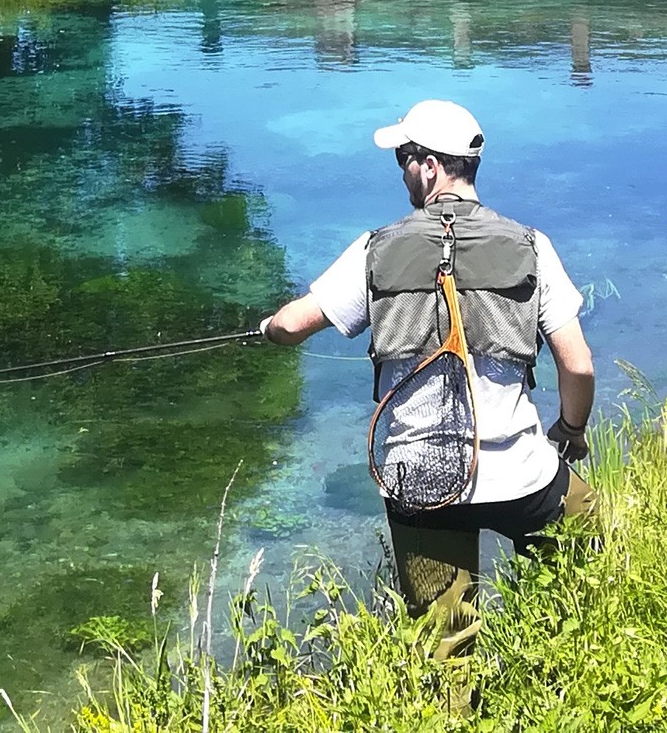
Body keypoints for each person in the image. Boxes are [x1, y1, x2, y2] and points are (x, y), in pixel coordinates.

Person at [255, 98, 595, 658]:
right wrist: (571, 430)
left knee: (445, 643)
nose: (403, 172)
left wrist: (267, 328)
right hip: (520, 475)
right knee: (588, 554)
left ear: (431, 166)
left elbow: (294, 324)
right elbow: (577, 364)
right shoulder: (532, 246)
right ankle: (563, 670)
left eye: (404, 159)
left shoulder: (376, 248)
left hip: (419, 483)